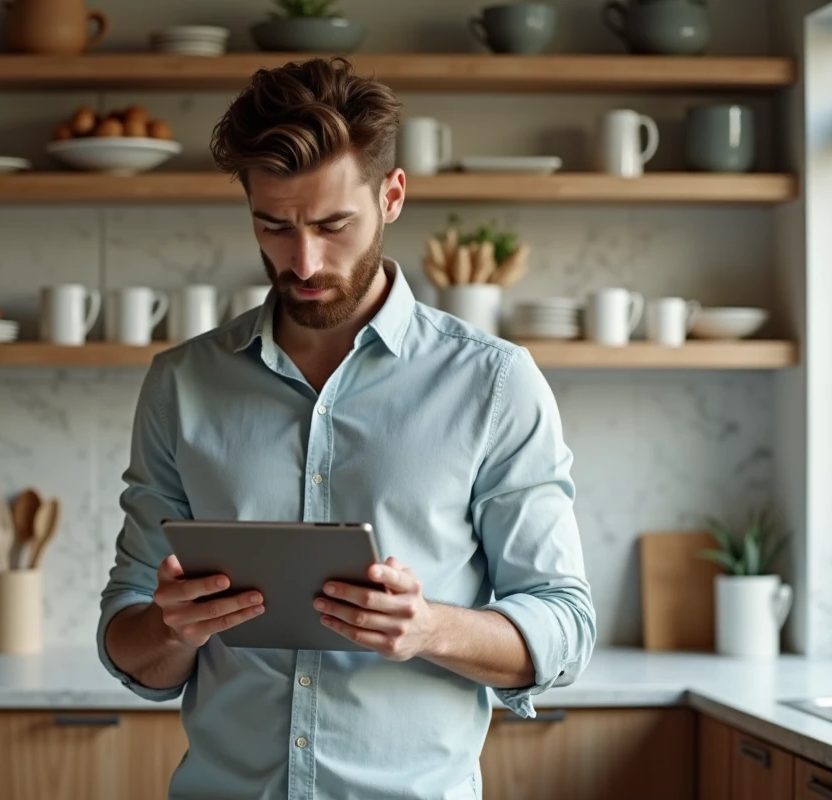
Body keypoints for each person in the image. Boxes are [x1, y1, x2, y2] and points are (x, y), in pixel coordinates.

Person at [97, 56, 596, 800]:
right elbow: (128, 637)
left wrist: (429, 629)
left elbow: (564, 626)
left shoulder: (493, 382)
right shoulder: (182, 383)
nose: (303, 261)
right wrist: (171, 629)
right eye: (274, 226)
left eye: (334, 225)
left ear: (392, 196)